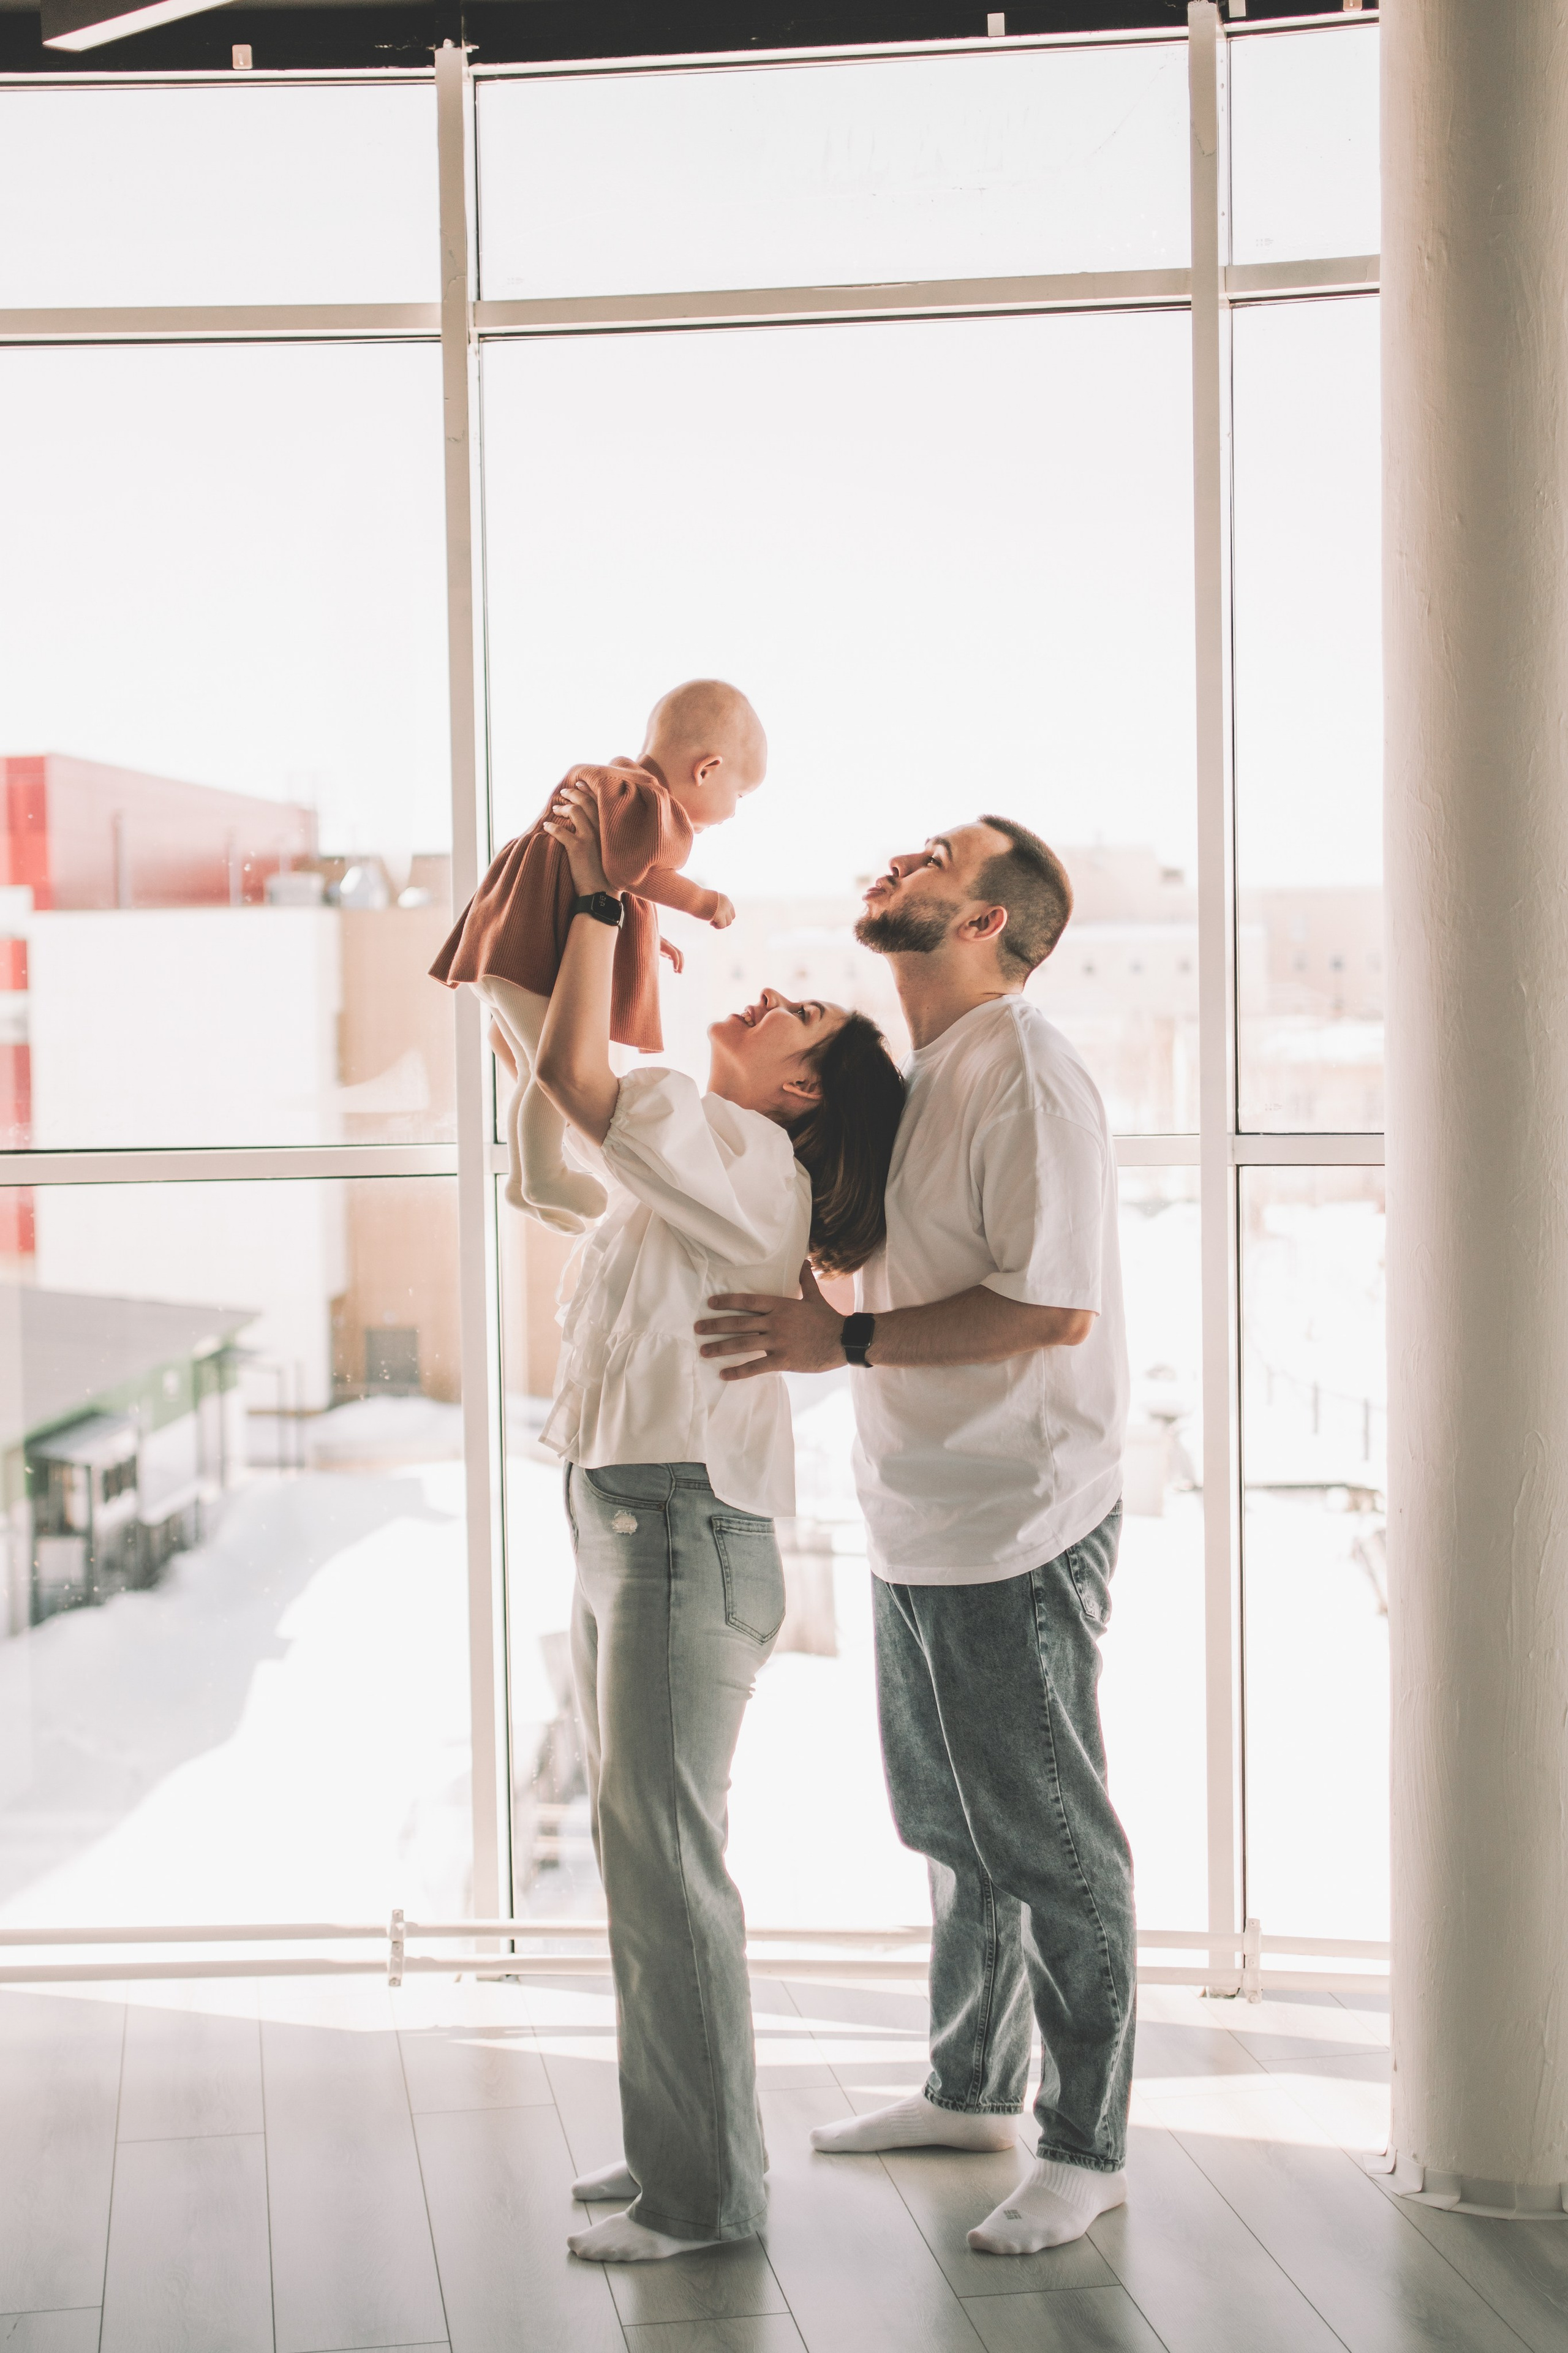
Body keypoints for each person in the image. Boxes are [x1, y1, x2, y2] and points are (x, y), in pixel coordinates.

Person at [695, 817, 1133, 2260]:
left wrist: (845, 1337)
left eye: (933, 855)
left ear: (984, 923)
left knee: (1052, 1846)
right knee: (953, 1831)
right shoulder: (926, 1073)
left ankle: (1083, 2146)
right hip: (922, 1512)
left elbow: (1049, 1304)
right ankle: (968, 2086)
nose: (896, 857)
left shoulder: (1025, 1074)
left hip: (1017, 1521)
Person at [533, 774, 905, 2266]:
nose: (761, 996)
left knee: (664, 1854)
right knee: (642, 1851)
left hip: (678, 1530)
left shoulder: (743, 1158)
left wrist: (598, 899)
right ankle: (665, 2150)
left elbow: (573, 1077)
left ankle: (705, 2193)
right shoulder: (713, 1157)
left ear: (803, 1091)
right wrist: (599, 913)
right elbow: (567, 1103)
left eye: (793, 1013)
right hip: (634, 1516)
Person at [430, 679, 766, 1228]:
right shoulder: (642, 801)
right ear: (706, 769)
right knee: (557, 1068)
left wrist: (645, 935)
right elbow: (639, 874)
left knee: (536, 1069)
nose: (733, 813)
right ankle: (543, 1174)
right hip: (520, 955)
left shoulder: (614, 792)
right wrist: (705, 901)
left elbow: (605, 882)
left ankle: (524, 1180)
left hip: (504, 946)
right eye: (740, 794)